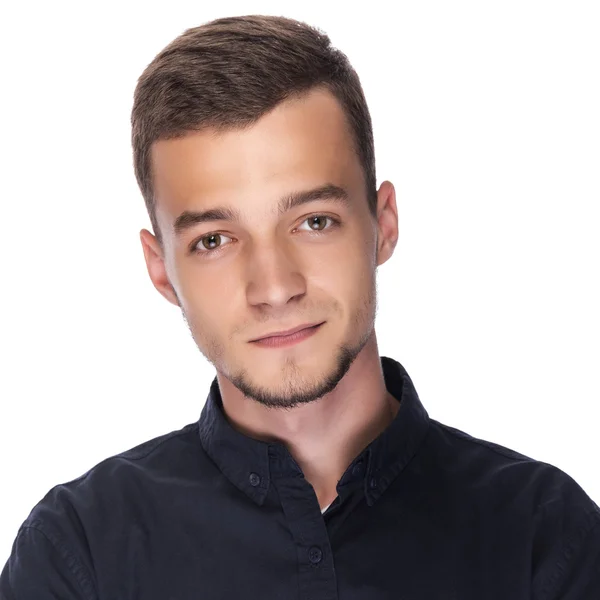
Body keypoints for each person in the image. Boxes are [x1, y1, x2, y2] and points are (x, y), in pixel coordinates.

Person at [1, 13, 598, 599]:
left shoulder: (544, 537)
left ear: (383, 224)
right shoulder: (79, 553)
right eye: (213, 239)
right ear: (161, 268)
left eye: (314, 221)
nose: (274, 287)